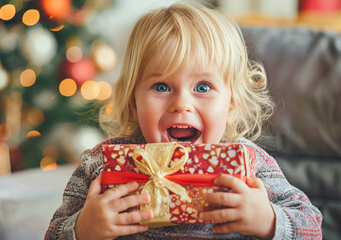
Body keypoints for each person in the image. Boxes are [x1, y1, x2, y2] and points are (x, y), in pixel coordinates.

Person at [45, 2, 322, 239]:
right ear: (133, 101)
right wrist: (83, 229)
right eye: (161, 87)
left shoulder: (250, 164)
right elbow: (54, 233)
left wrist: (270, 221)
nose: (181, 105)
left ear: (232, 105)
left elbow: (313, 227)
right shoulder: (100, 166)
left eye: (202, 87)